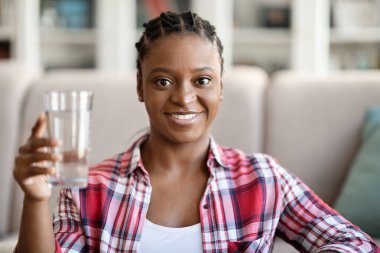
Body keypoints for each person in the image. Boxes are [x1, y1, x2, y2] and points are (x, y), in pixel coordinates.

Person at [13, 11, 379, 253]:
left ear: (220, 87)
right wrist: (34, 199)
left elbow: (355, 243)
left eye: (202, 80)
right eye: (163, 81)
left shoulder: (263, 178)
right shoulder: (90, 189)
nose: (184, 97)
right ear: (140, 88)